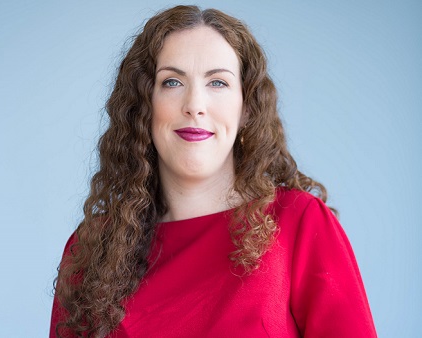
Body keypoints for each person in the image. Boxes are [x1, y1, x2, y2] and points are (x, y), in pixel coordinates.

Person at [50, 5, 377, 338]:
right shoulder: (93, 249)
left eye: (218, 82)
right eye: (172, 81)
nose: (195, 104)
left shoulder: (299, 222)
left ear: (246, 108)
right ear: (143, 106)